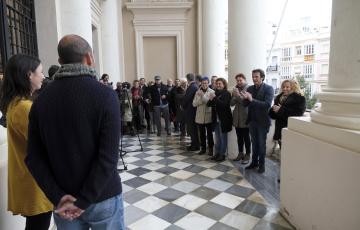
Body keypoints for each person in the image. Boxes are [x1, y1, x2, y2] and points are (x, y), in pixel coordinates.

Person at [25, 34, 124, 229]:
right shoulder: (106, 95)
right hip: (102, 196)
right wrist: (84, 200)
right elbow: (108, 157)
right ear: (89, 58)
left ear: (60, 61)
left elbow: (33, 158)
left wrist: (59, 197)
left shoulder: (41, 101)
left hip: (63, 200)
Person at [0, 54, 53, 230]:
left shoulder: (15, 103)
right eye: (41, 72)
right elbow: (45, 144)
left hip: (28, 178)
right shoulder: (25, 108)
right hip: (35, 182)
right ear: (29, 75)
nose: (44, 76)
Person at [241, 69, 274, 173]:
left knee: (261, 144)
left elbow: (267, 105)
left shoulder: (269, 88)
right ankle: (254, 162)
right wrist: (243, 98)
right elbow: (245, 105)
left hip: (262, 122)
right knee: (254, 144)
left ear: (262, 77)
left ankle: (262, 165)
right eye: (253, 76)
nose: (254, 79)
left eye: (256, 77)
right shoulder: (250, 88)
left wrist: (251, 99)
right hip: (252, 121)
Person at [269, 79, 306, 148]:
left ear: (293, 87)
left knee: (290, 153)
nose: (284, 89)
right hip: (279, 130)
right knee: (282, 151)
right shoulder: (278, 98)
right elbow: (274, 116)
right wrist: (273, 110)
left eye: (287, 87)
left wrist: (280, 110)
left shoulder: (300, 98)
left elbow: (298, 113)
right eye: (283, 87)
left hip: (291, 130)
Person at [207, 78, 232, 161]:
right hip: (216, 119)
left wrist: (214, 98)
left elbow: (224, 105)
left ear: (224, 85)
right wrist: (210, 99)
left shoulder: (227, 93)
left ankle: (222, 154)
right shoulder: (215, 93)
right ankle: (217, 153)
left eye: (220, 83)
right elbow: (209, 104)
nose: (218, 85)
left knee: (223, 138)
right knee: (217, 138)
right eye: (217, 83)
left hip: (224, 119)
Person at [231, 73, 251, 163]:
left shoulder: (249, 89)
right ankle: (240, 153)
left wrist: (237, 96)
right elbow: (231, 103)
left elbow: (244, 103)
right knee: (239, 137)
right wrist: (236, 96)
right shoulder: (235, 89)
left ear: (244, 80)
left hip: (245, 116)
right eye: (237, 80)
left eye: (240, 80)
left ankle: (247, 154)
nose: (239, 82)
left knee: (246, 137)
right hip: (236, 117)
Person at [193, 76, 215, 155]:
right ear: (201, 84)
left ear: (208, 83)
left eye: (206, 83)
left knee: (209, 134)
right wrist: (201, 100)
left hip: (208, 116)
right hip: (200, 116)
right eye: (203, 83)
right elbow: (194, 104)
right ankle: (203, 149)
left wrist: (202, 96)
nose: (204, 84)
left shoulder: (212, 92)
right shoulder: (197, 92)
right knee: (201, 134)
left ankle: (211, 149)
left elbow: (209, 104)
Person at [183, 73, 200, 151]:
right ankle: (194, 144)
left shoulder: (192, 87)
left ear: (187, 79)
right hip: (192, 110)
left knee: (192, 129)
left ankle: (195, 145)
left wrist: (182, 106)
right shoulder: (195, 86)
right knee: (193, 129)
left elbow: (186, 98)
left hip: (191, 111)